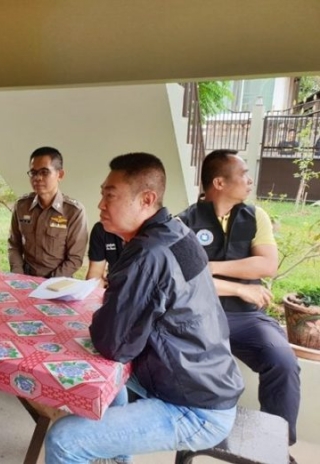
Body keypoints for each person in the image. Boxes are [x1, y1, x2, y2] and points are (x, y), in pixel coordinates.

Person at [45, 152, 244, 464]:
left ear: (147, 199)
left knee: (64, 439)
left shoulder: (147, 254)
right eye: (102, 194)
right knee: (110, 387)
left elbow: (113, 345)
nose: (101, 205)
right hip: (205, 376)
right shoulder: (175, 230)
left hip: (195, 406)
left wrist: (107, 309)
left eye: (110, 196)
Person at [178, 149, 301, 451]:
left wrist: (210, 268)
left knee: (283, 361)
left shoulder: (255, 216)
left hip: (246, 318)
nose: (249, 180)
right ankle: (197, 435)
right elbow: (185, 282)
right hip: (200, 317)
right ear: (219, 182)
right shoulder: (184, 223)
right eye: (243, 173)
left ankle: (277, 446)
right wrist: (239, 287)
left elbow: (266, 265)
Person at [8, 146, 88, 277]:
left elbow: (75, 258)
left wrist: (48, 284)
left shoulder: (74, 212)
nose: (37, 178)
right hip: (25, 278)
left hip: (57, 282)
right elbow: (14, 245)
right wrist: (19, 275)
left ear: (60, 175)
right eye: (33, 173)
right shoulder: (21, 206)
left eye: (44, 172)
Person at [85, 221, 124, 286]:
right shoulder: (101, 228)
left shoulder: (145, 234)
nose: (101, 210)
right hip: (115, 283)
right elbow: (95, 272)